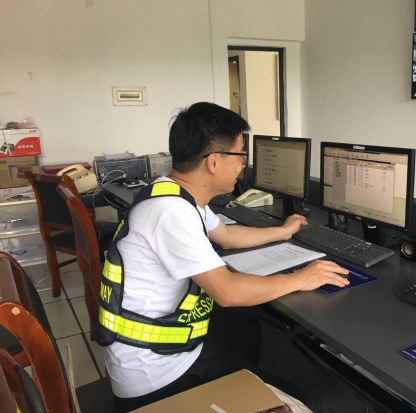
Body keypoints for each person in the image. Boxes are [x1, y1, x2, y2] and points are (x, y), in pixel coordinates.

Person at [98, 102, 349, 412]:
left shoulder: (174, 193)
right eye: (240, 155)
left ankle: (247, 377)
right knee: (299, 398)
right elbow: (228, 292)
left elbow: (227, 236)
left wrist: (282, 231)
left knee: (245, 328)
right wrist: (302, 278)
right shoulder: (171, 212)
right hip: (156, 374)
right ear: (214, 162)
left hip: (170, 347)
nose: (243, 165)